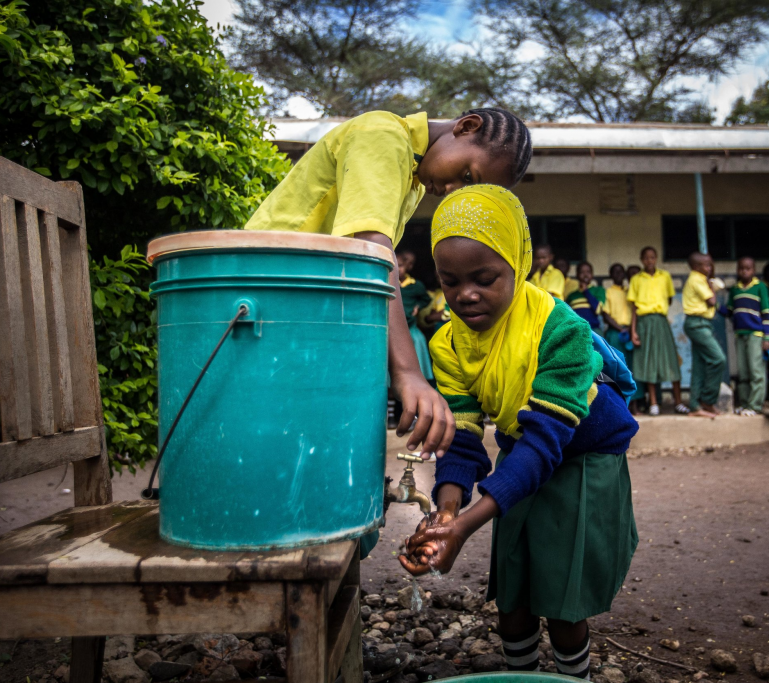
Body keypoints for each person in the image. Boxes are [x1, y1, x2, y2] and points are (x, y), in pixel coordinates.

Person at [399, 185, 639, 680]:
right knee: (513, 593)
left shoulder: (561, 329)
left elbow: (548, 437)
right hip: (522, 448)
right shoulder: (448, 343)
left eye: (485, 278)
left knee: (563, 600)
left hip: (583, 456)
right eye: (450, 281)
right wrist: (446, 512)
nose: (466, 294)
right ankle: (519, 674)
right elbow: (463, 437)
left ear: (519, 265)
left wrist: (467, 525)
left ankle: (575, 677)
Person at [244, 106, 533, 459]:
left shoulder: (414, 175)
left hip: (296, 304)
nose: (453, 190)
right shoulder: (384, 135)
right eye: (467, 176)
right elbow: (373, 252)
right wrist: (409, 372)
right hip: (265, 290)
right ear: (466, 127)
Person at [628, 247, 684, 416]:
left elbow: (669, 298)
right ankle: (653, 403)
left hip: (660, 321)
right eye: (646, 258)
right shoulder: (636, 279)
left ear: (656, 258)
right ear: (641, 259)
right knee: (649, 362)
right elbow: (634, 307)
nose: (649, 261)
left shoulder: (664, 276)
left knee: (671, 360)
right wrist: (633, 331)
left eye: (652, 257)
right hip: (644, 323)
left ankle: (678, 402)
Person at [726, 257, 769, 417]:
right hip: (740, 334)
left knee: (756, 370)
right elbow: (729, 311)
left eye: (747, 269)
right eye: (741, 268)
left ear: (753, 270)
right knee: (743, 371)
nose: (744, 271)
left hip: (756, 334)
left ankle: (755, 404)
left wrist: (768, 337)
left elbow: (766, 313)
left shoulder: (760, 287)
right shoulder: (734, 289)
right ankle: (745, 403)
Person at [682, 252, 724, 418]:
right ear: (695, 267)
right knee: (718, 359)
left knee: (699, 366)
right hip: (697, 324)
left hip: (701, 324)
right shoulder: (696, 279)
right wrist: (711, 285)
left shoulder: (700, 278)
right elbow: (712, 301)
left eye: (710, 265)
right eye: (706, 265)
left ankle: (694, 406)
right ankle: (707, 400)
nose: (709, 268)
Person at [601, 263, 645, 413]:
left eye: (621, 272)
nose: (619, 274)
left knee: (633, 368)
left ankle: (635, 405)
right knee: (617, 369)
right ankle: (620, 406)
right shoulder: (608, 292)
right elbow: (605, 315)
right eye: (616, 272)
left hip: (631, 334)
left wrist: (630, 330)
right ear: (611, 275)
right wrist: (621, 329)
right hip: (616, 333)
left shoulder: (629, 291)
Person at [396, 249, 435, 383]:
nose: (397, 269)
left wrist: (417, 306)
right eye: (395, 265)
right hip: (393, 330)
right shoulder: (390, 283)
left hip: (410, 328)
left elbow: (427, 299)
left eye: (400, 266)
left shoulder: (415, 285)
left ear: (408, 267)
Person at [565, 261, 605, 331]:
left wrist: (585, 291)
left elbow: (598, 310)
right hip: (577, 331)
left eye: (588, 272)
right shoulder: (572, 296)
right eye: (582, 272)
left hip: (594, 330)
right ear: (577, 275)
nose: (585, 275)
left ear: (592, 274)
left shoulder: (598, 290)